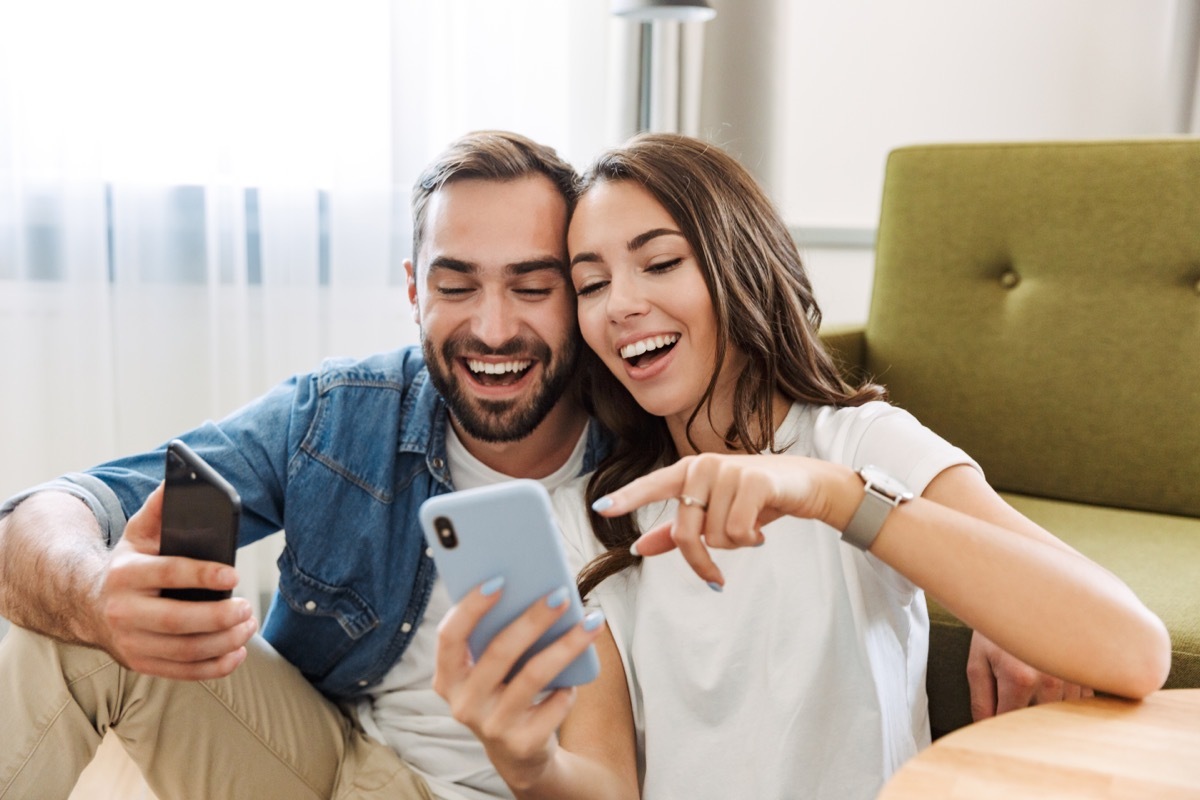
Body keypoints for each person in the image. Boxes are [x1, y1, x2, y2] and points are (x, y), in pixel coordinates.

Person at [430, 133, 1172, 799]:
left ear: (740, 265)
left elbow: (1133, 649)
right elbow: (606, 786)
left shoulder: (861, 446)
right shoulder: (592, 517)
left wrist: (833, 496)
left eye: (659, 263)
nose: (620, 304)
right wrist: (531, 768)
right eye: (591, 284)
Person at [0, 130, 607, 800]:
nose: (493, 329)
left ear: (579, 294)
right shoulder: (344, 414)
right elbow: (45, 514)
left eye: (532, 287)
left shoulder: (641, 448)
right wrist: (93, 599)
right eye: (457, 284)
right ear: (414, 291)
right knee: (69, 631)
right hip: (326, 758)